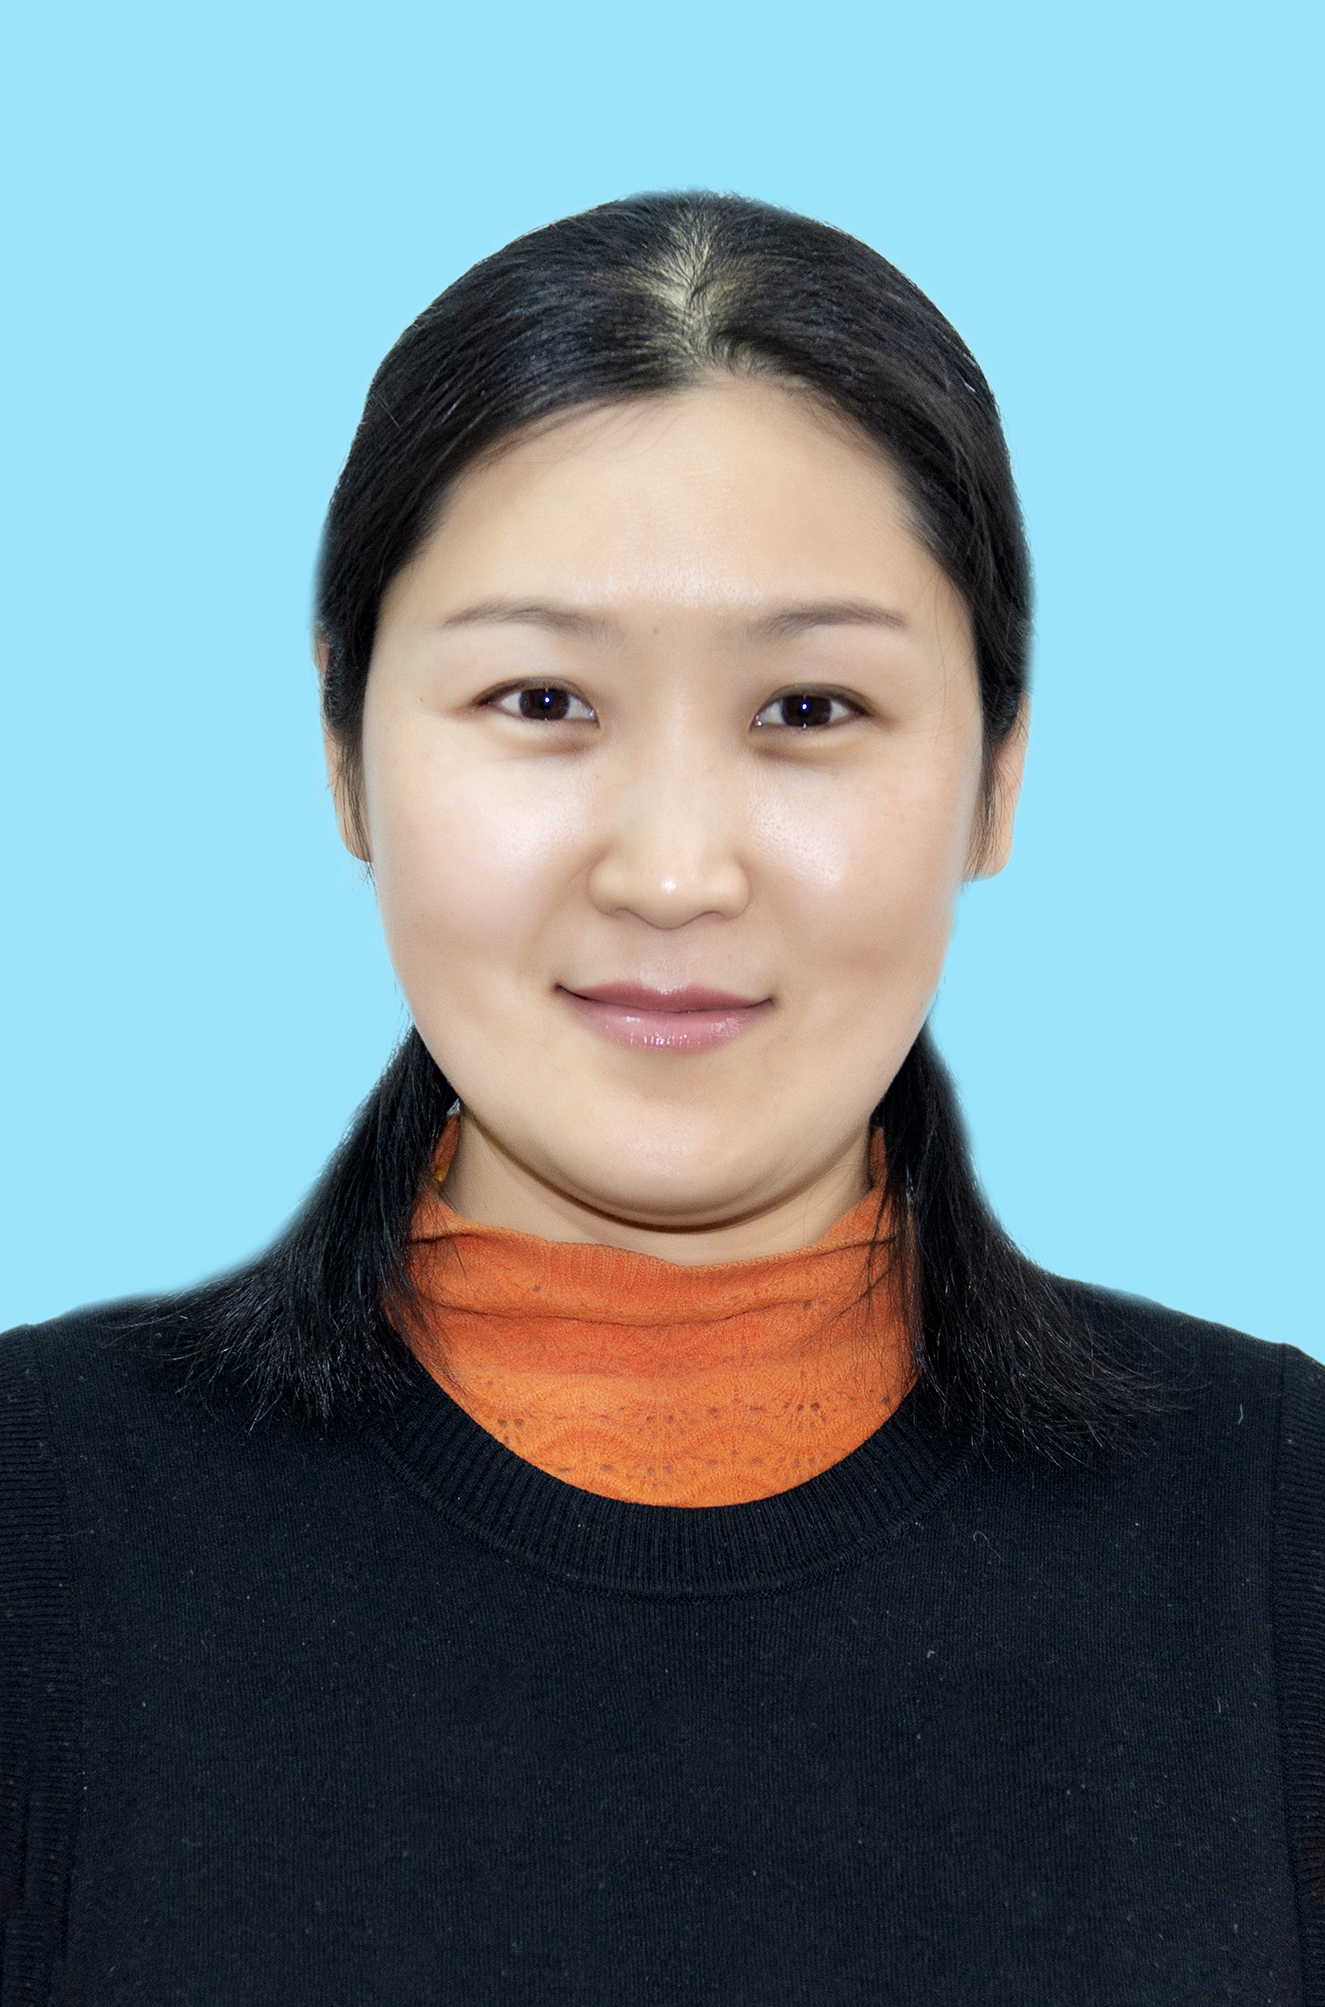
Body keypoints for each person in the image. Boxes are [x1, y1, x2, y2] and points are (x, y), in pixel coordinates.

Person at [2, 192, 1320, 2006]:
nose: (675, 872)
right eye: (542, 697)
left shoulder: (1274, 1543)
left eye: (809, 710)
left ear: (998, 773)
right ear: (346, 752)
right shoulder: (38, 1527)